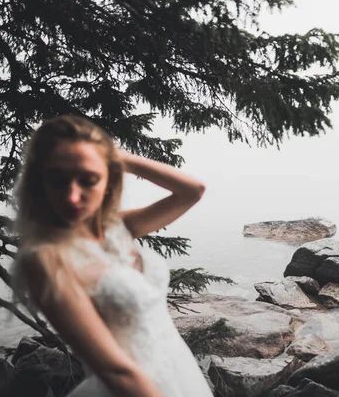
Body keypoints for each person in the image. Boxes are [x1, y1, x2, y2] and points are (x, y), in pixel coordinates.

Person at [12, 115, 213, 396]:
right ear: (39, 183)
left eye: (88, 179)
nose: (72, 196)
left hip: (180, 372)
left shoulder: (119, 226)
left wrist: (119, 157)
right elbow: (116, 370)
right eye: (57, 180)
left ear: (109, 180)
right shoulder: (46, 259)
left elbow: (192, 191)